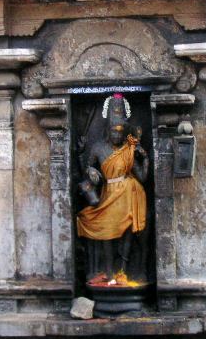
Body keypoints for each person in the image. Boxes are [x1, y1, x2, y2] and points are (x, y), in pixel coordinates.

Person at [77, 95, 149, 279]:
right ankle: (108, 270)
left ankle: (123, 270)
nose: (117, 135)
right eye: (113, 131)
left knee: (127, 231)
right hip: (109, 194)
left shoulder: (127, 150)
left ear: (125, 133)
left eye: (120, 132)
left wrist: (145, 159)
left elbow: (142, 177)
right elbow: (87, 168)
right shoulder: (98, 148)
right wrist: (88, 168)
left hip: (129, 195)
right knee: (105, 229)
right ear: (107, 131)